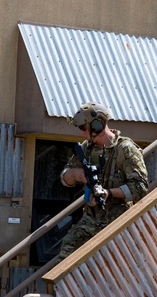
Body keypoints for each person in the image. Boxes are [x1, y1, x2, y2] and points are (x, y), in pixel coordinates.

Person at [57, 102, 148, 260]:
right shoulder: (86, 148)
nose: (81, 133)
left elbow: (140, 188)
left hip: (118, 224)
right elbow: (64, 178)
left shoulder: (125, 149)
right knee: (66, 253)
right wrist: (76, 174)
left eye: (83, 128)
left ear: (97, 125)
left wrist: (109, 193)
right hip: (91, 221)